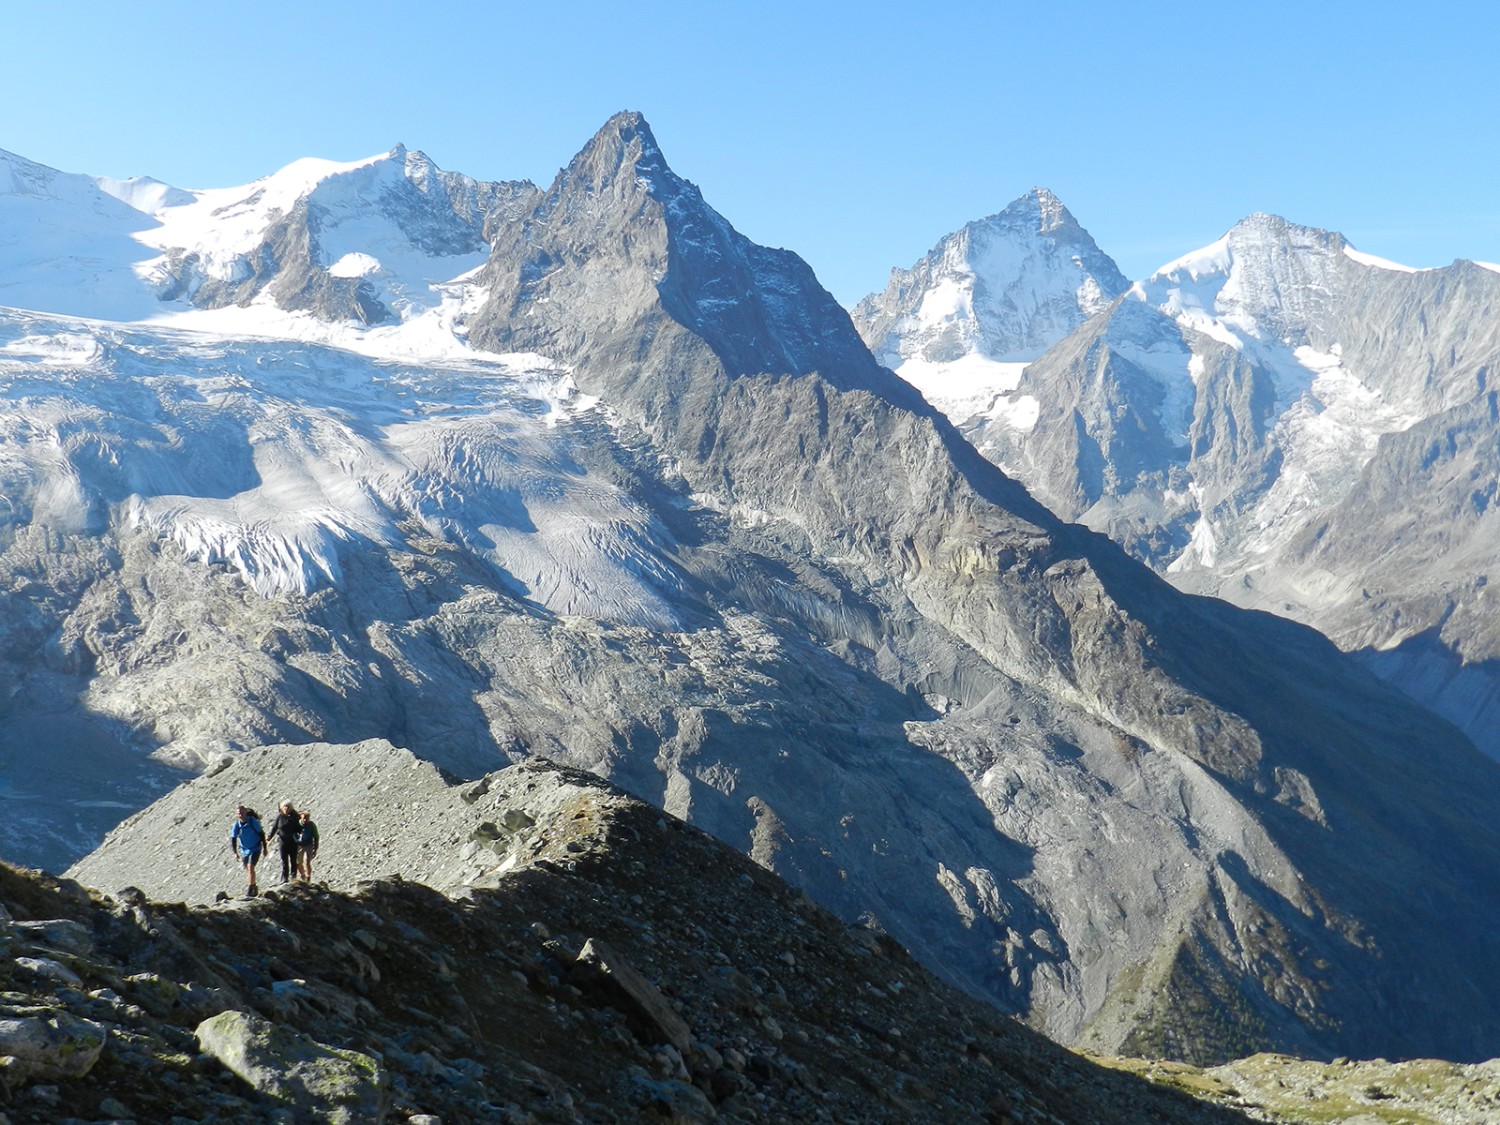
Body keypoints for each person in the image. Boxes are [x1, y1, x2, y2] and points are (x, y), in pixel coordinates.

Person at [230, 804, 265, 898]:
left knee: (250, 867)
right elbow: (233, 839)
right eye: (239, 813)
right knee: (248, 869)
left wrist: (265, 848)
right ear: (236, 815)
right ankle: (254, 887)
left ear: (245, 812)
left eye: (242, 812)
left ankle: (250, 889)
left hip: (255, 847)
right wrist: (235, 853)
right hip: (244, 850)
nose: (241, 815)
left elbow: (262, 834)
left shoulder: (253, 822)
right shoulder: (236, 825)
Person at [267, 800, 300, 883]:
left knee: (293, 859)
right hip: (282, 840)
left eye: (288, 806)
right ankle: (284, 877)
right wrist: (269, 837)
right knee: (284, 860)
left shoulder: (295, 816)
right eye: (284, 806)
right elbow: (274, 827)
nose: (286, 808)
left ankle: (293, 876)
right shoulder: (280, 816)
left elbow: (300, 827)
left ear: (291, 808)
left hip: (293, 840)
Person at [295, 809, 319, 882]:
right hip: (298, 845)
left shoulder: (311, 825)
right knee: (298, 863)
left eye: (307, 818)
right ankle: (303, 875)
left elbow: (316, 837)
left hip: (309, 844)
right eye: (304, 818)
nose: (305, 820)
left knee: (307, 861)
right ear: (301, 817)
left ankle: (308, 877)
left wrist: (315, 849)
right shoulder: (296, 824)